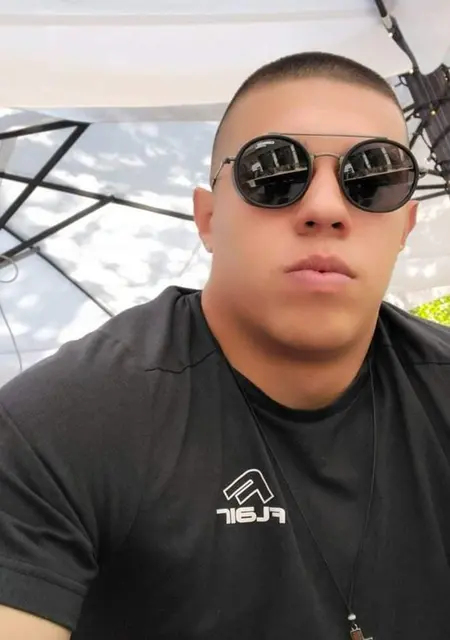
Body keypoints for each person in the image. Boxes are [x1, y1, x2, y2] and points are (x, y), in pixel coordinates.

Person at [0, 50, 449, 640]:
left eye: (372, 178)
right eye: (274, 174)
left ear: (405, 227)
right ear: (208, 219)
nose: (324, 208)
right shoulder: (61, 423)